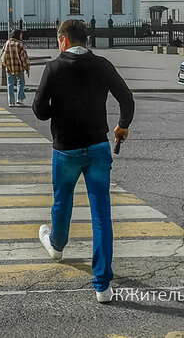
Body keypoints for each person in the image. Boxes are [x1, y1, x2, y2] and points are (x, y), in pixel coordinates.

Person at [33, 19, 134, 305]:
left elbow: (39, 111)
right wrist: (122, 125)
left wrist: (58, 105)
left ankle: (57, 245)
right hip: (98, 148)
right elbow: (126, 99)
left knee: (62, 201)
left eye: (58, 40)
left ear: (63, 40)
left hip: (66, 150)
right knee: (101, 216)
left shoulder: (53, 68)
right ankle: (102, 285)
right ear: (84, 40)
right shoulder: (102, 65)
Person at [0, 30, 31, 107]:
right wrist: (27, 67)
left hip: (9, 67)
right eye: (21, 34)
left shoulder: (7, 43)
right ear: (18, 35)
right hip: (19, 67)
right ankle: (20, 99)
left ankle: (11, 102)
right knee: (21, 82)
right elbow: (24, 57)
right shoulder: (19, 44)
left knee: (10, 84)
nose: (21, 36)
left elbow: (2, 54)